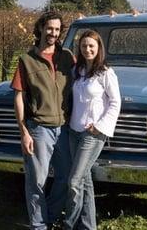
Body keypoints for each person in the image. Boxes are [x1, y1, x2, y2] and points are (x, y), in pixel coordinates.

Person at [11, 11, 75, 230]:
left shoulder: (67, 57)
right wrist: (24, 132)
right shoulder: (27, 60)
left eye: (57, 30)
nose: (53, 33)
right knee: (36, 181)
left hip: (64, 129)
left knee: (66, 177)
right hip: (39, 129)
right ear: (40, 28)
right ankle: (39, 225)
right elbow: (18, 96)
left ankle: (51, 215)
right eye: (49, 28)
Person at [64, 30, 121, 230]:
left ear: (98, 49)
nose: (87, 49)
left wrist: (99, 126)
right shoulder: (77, 71)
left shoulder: (105, 73)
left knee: (74, 181)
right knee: (85, 181)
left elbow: (115, 102)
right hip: (74, 131)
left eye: (91, 46)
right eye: (83, 46)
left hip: (93, 134)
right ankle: (88, 226)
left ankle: (68, 224)